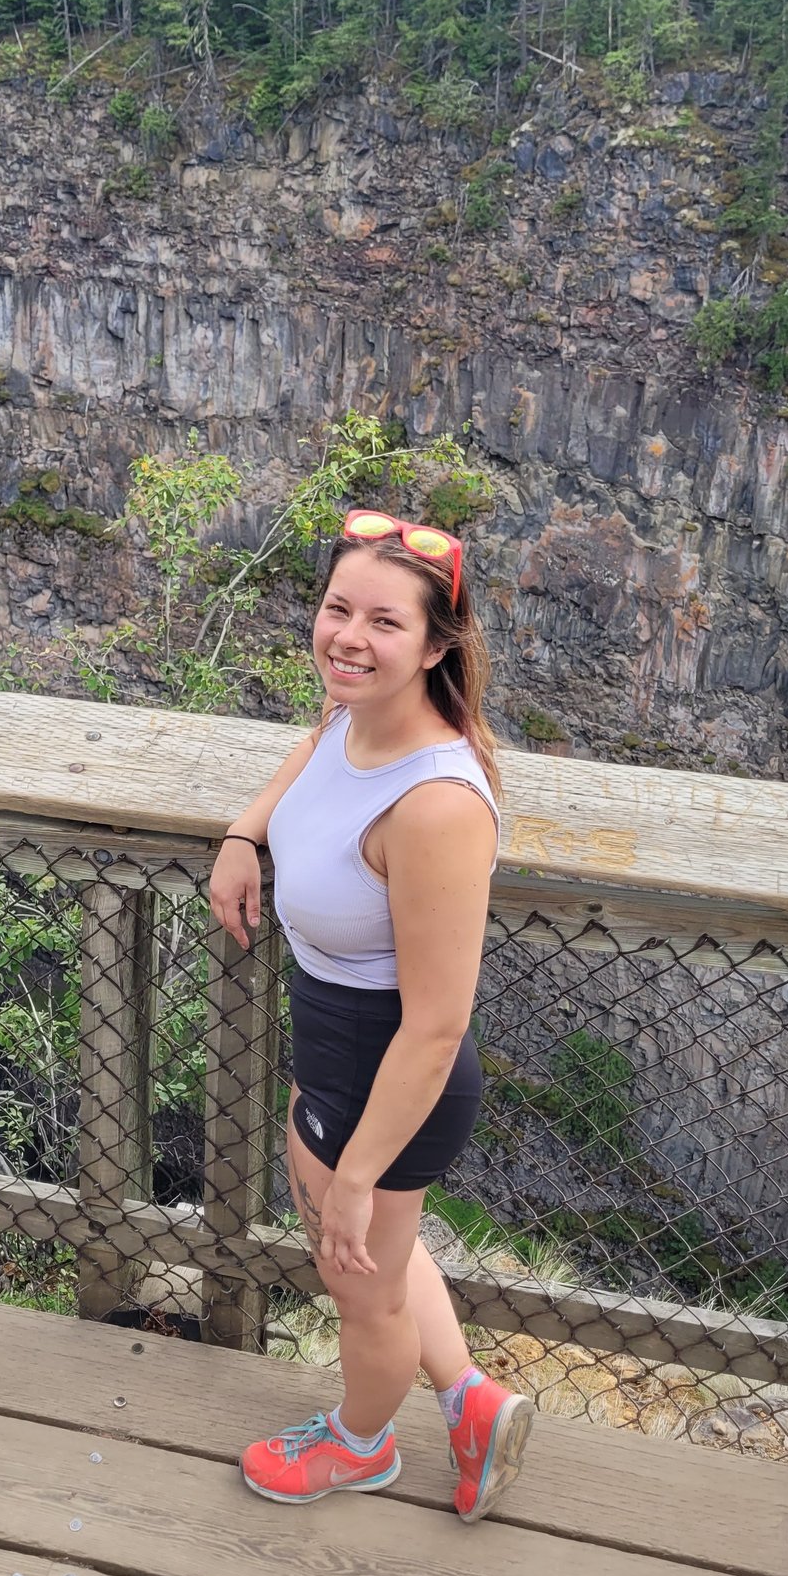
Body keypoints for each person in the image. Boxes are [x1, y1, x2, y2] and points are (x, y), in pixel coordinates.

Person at [208, 507, 532, 1522]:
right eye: (336, 608)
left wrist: (355, 1174)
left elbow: (436, 1025)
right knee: (385, 1263)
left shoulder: (437, 804)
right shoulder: (356, 718)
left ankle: (362, 1445)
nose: (348, 637)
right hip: (339, 1054)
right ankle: (472, 1403)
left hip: (392, 1082)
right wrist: (242, 832)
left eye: (384, 623)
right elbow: (314, 753)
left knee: (364, 1289)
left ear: (437, 645)